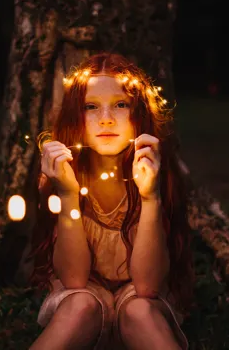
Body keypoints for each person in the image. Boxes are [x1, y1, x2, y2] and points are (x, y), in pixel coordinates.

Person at [28, 53, 194, 350]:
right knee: (81, 305)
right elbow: (75, 279)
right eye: (91, 107)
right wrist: (67, 195)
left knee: (139, 310)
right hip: (82, 298)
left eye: (120, 105)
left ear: (139, 112)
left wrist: (151, 196)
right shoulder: (63, 173)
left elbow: (147, 287)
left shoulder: (154, 171)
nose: (106, 118)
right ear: (75, 117)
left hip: (142, 302)